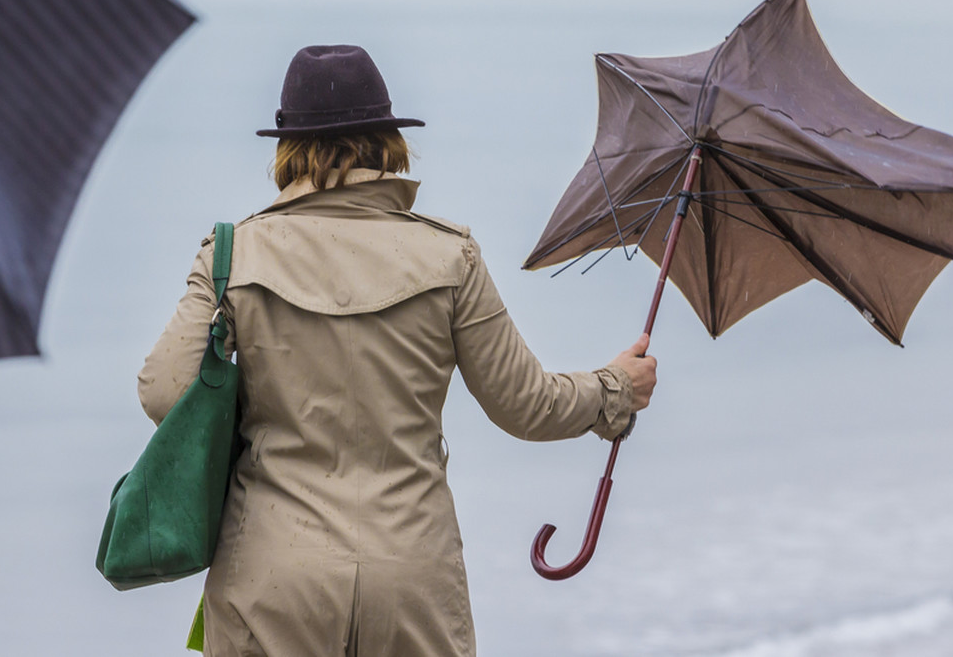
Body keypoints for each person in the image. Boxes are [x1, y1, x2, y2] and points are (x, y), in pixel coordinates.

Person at [137, 45, 657, 657]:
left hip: (273, 574)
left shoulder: (231, 257)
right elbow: (526, 406)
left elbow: (164, 392)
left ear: (286, 148)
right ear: (388, 141)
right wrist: (615, 387)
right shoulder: (450, 255)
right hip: (411, 572)